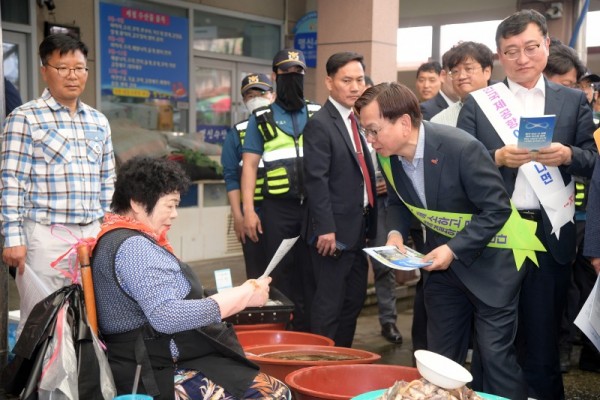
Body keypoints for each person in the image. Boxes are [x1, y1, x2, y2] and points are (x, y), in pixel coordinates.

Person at [355, 82, 528, 399]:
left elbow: (497, 209)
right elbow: (397, 204)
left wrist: (453, 248)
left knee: (494, 359)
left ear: (404, 123)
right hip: (441, 272)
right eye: (366, 132)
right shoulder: (390, 156)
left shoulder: (461, 148)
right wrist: (395, 233)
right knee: (439, 361)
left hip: (491, 268)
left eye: (373, 130)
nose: (370, 140)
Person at [457, 9, 597, 399]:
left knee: (544, 336)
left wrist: (567, 154)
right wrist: (496, 158)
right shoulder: (480, 103)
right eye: (511, 51)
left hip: (550, 230)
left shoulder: (571, 101)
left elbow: (592, 161)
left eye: (531, 47)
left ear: (546, 46)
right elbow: (458, 167)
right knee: (494, 338)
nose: (522, 58)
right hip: (497, 232)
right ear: (499, 57)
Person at [91, 156, 290, 399]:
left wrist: (238, 295)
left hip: (153, 361)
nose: (175, 214)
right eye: (170, 204)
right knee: (274, 392)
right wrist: (242, 296)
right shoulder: (134, 247)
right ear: (137, 203)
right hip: (152, 374)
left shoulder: (117, 236)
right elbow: (166, 316)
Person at [0, 33, 116, 335]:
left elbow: (108, 180)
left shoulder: (98, 121)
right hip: (45, 237)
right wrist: (13, 237)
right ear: (45, 70)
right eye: (63, 68)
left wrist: (107, 230)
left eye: (79, 68)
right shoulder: (24, 119)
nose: (72, 76)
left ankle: (85, 380)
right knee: (43, 319)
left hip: (92, 234)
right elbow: (10, 181)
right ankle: (42, 383)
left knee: (91, 314)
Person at [241, 49, 320, 331]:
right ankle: (284, 333)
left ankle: (309, 332)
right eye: (286, 73)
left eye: (297, 72)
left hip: (312, 208)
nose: (292, 77)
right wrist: (248, 211)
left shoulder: (316, 113)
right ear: (275, 76)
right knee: (280, 274)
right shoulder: (261, 117)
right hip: (278, 209)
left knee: (311, 272)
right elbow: (248, 166)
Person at [302, 52, 377, 347]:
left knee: (352, 302)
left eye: (359, 79)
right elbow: (316, 181)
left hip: (360, 230)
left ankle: (342, 360)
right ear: (329, 82)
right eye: (347, 80)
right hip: (332, 235)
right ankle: (319, 367)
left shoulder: (358, 120)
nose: (355, 87)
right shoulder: (321, 123)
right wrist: (325, 228)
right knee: (328, 307)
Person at [221, 73, 274, 279]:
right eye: (250, 96)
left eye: (261, 93)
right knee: (256, 272)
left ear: (273, 95)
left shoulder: (286, 127)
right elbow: (231, 175)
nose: (255, 99)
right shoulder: (238, 132)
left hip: (284, 209)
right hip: (254, 212)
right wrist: (239, 215)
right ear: (243, 101)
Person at [365, 75, 404, 345]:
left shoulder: (385, 131)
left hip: (382, 205)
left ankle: (388, 320)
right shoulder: (348, 129)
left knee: (383, 266)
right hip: (355, 207)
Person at [432, 41, 494, 127]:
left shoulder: (509, 108)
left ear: (487, 72)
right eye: (455, 71)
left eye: (468, 69)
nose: (461, 76)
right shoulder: (438, 122)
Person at [420, 56, 459, 121]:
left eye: (468, 69)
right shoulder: (426, 109)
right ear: (443, 76)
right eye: (455, 72)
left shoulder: (467, 107)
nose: (426, 85)